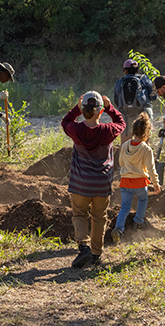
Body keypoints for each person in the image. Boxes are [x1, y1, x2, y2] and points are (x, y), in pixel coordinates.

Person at [62, 90, 125, 268]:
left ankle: (84, 247)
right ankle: (96, 255)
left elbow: (65, 122)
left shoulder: (76, 130)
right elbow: (121, 122)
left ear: (83, 111)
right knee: (99, 217)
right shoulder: (108, 130)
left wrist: (75, 109)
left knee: (79, 214)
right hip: (101, 184)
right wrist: (110, 107)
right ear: (100, 111)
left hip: (80, 184)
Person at [112, 112, 161, 244]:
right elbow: (151, 168)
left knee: (125, 207)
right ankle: (138, 222)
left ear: (133, 131)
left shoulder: (125, 145)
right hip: (140, 182)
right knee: (143, 200)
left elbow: (121, 162)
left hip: (125, 181)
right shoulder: (146, 149)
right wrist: (156, 183)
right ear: (147, 132)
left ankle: (118, 228)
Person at [113, 59, 156, 145]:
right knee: (144, 137)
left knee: (125, 139)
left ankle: (125, 156)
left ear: (124, 70)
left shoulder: (120, 82)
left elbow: (116, 100)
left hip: (126, 113)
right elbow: (153, 97)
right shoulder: (144, 79)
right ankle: (145, 154)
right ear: (137, 70)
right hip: (143, 113)